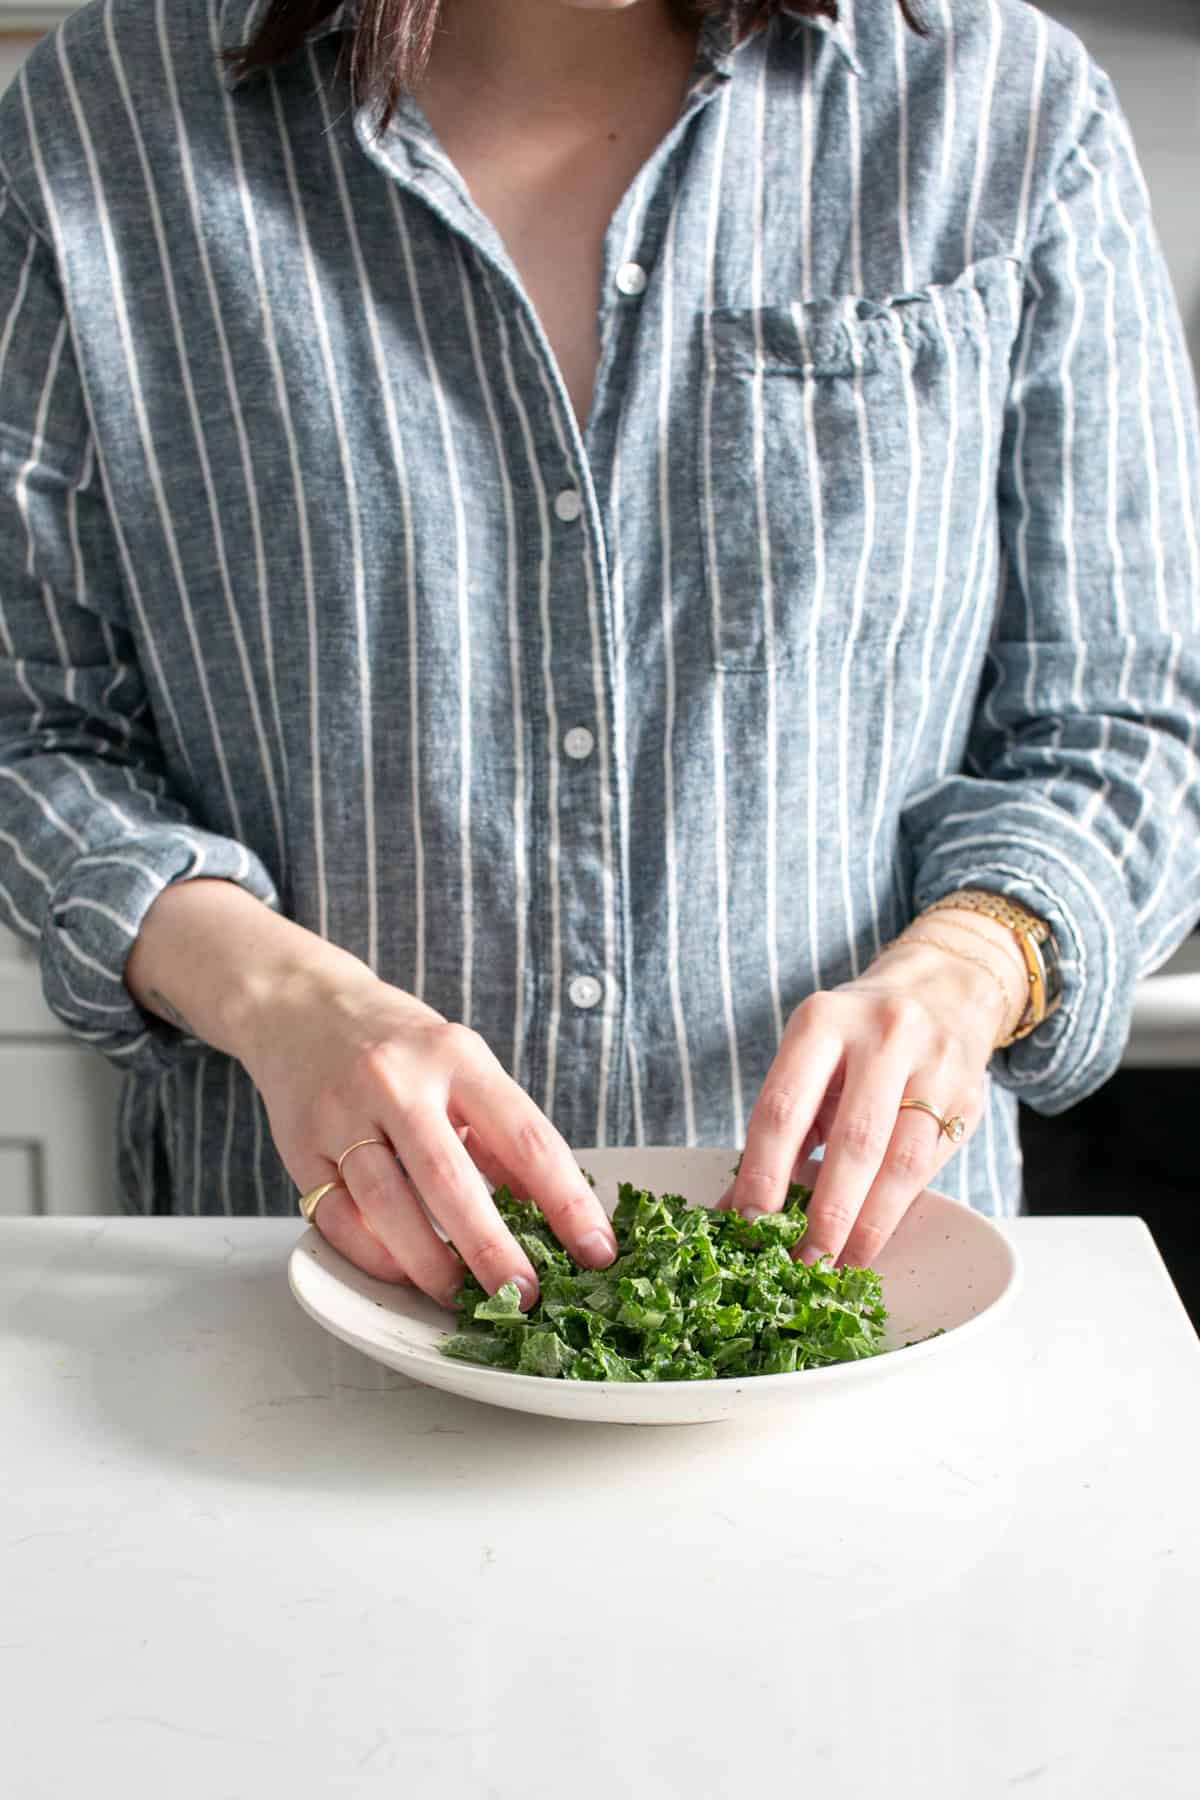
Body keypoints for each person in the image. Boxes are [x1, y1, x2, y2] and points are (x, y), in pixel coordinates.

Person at [1, 0, 1197, 1313]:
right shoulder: (96, 119)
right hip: (296, 1302)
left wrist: (976, 961)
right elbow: (34, 727)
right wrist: (273, 992)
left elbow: (1130, 723)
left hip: (857, 1315)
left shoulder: (1003, 108)